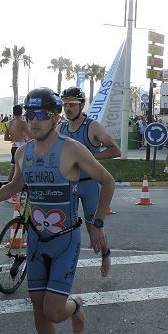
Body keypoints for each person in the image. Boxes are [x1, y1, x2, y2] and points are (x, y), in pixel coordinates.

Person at [0, 87, 115, 334]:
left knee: (55, 311)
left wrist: (97, 222)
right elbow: (13, 187)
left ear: (55, 117)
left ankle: (77, 305)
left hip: (65, 240)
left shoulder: (72, 148)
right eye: (30, 115)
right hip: (35, 240)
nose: (34, 122)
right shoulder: (23, 152)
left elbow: (106, 181)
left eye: (41, 116)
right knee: (38, 307)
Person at [59, 86, 121, 277]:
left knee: (94, 228)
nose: (68, 108)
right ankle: (64, 266)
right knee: (62, 226)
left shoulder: (92, 127)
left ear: (82, 105)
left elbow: (115, 150)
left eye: (72, 104)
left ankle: (105, 254)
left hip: (88, 184)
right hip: (68, 185)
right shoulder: (61, 127)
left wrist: (91, 160)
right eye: (65, 105)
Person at [4, 104, 29, 180]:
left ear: (13, 112)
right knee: (23, 168)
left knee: (13, 168)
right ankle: (18, 186)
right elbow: (30, 135)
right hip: (21, 146)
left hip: (14, 146)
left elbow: (6, 138)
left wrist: (14, 139)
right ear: (21, 113)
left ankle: (9, 187)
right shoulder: (23, 123)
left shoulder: (8, 123)